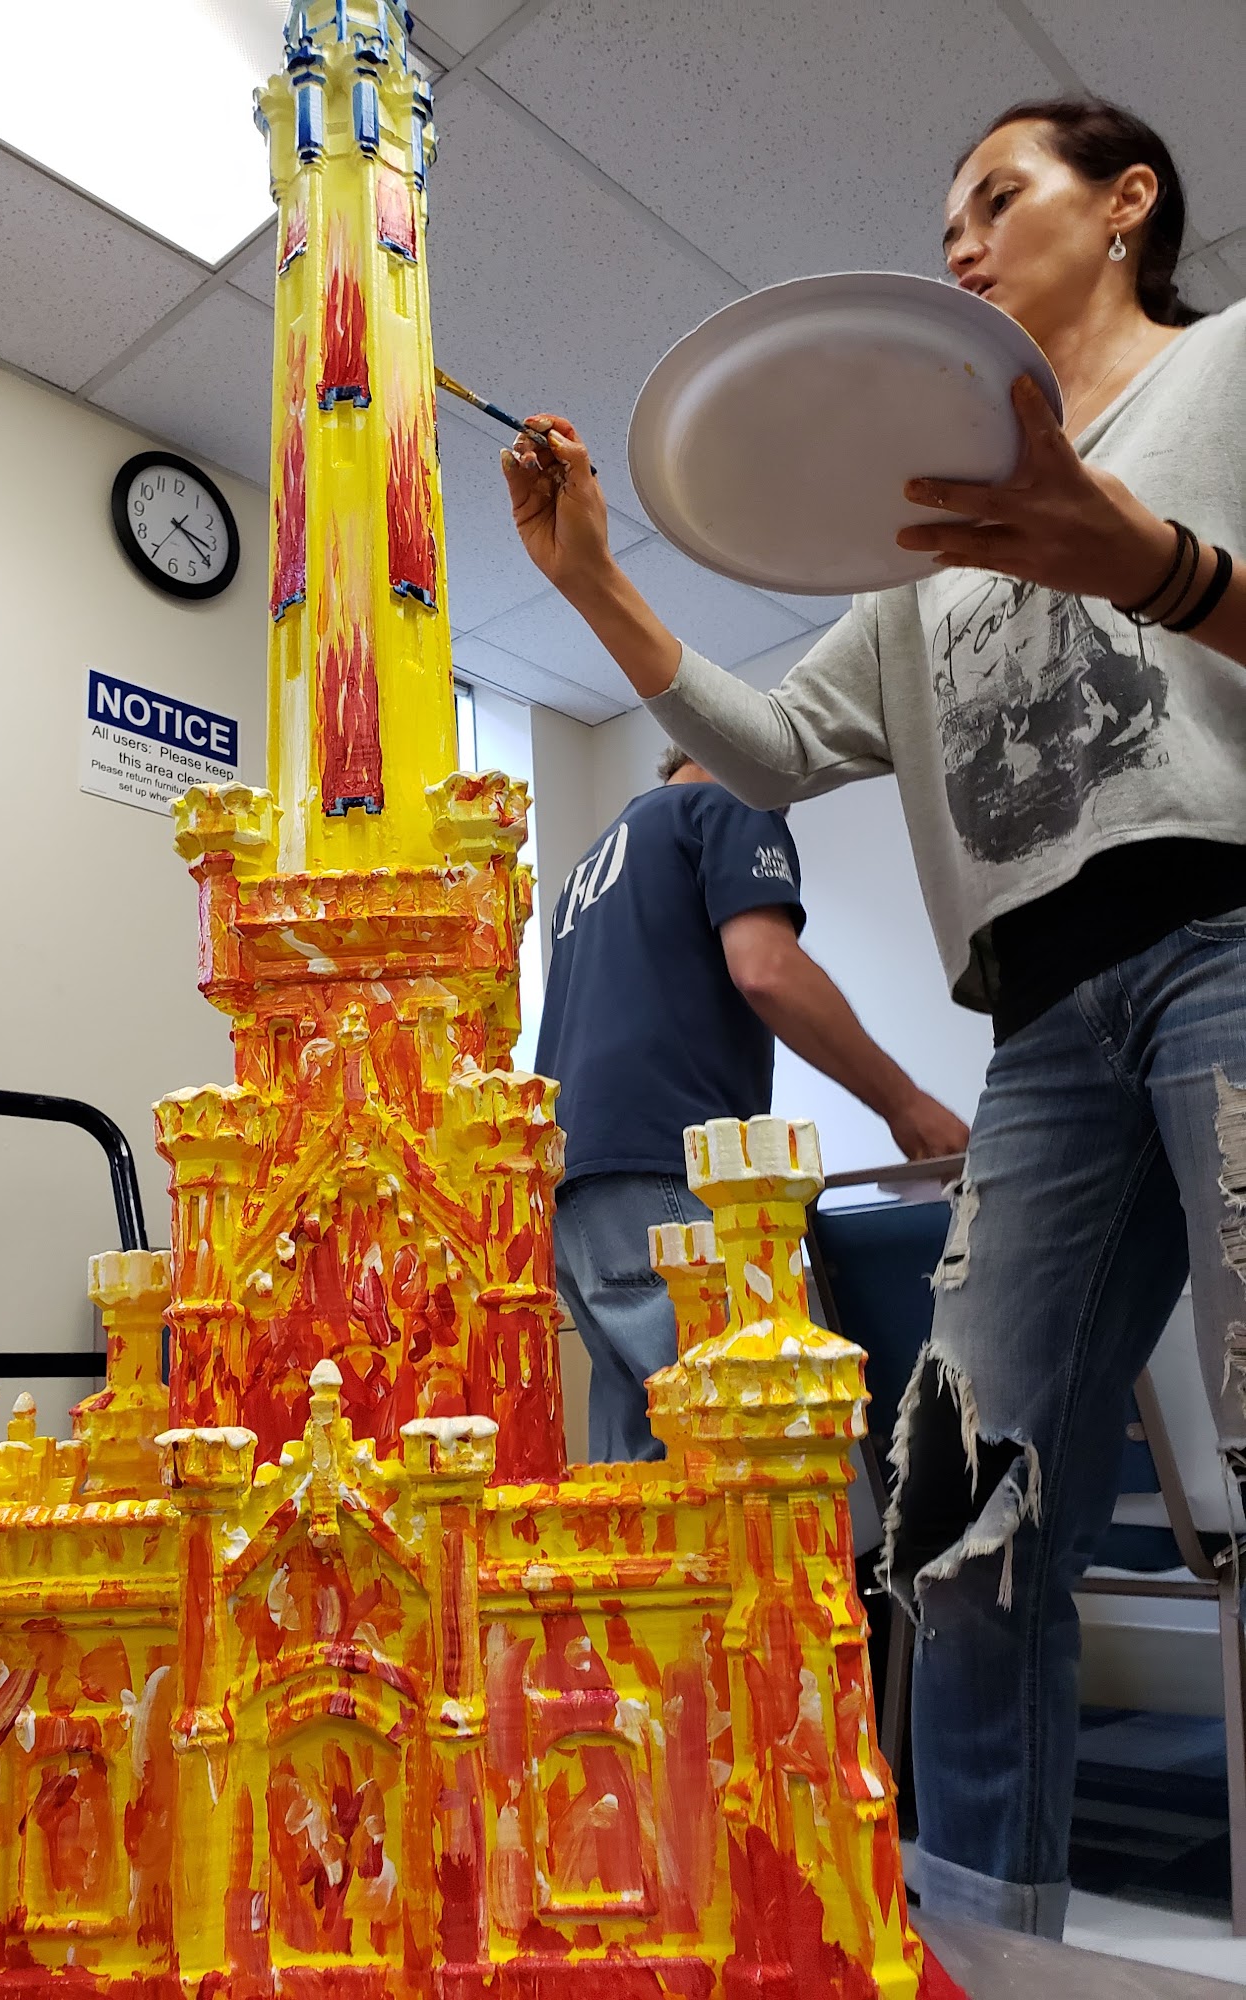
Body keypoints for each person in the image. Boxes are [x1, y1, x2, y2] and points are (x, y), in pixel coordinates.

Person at [501, 97, 1246, 1940]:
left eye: (999, 197)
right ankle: (983, 1954)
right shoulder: (931, 547)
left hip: (1228, 939)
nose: (963, 244)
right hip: (1043, 1029)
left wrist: (1151, 565)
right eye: (947, 224)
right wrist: (594, 579)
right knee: (960, 1531)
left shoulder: (1229, 373)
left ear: (1129, 202)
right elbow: (763, 745)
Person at [540, 742, 968, 1463]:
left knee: (643, 1467)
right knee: (732, 1455)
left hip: (572, 1187)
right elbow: (766, 968)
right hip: (666, 1169)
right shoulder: (731, 801)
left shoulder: (594, 863)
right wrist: (906, 1106)